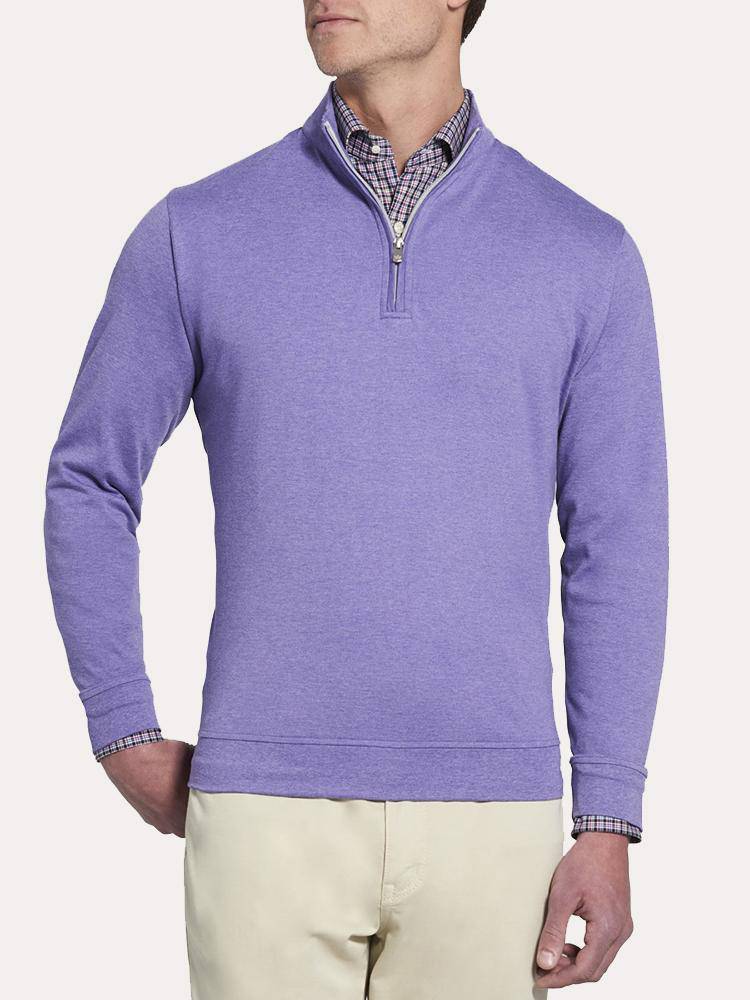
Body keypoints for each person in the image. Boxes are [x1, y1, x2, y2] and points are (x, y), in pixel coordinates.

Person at [44, 2, 668, 997]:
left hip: (494, 817)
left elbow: (619, 540)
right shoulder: (196, 232)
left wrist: (607, 817)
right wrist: (122, 726)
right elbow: (89, 476)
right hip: (262, 810)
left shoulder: (583, 253)